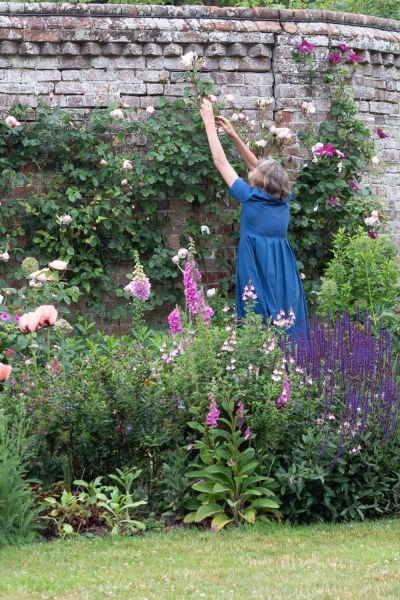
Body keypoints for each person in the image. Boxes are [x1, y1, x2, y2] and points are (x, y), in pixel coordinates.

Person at [199, 98, 308, 340]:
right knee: (284, 308)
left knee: (255, 308)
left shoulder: (249, 197)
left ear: (260, 181)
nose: (251, 172)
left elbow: (220, 162)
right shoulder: (284, 197)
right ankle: (292, 362)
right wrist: (234, 135)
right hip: (282, 262)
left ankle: (262, 363)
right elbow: (260, 167)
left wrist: (208, 122)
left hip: (255, 260)